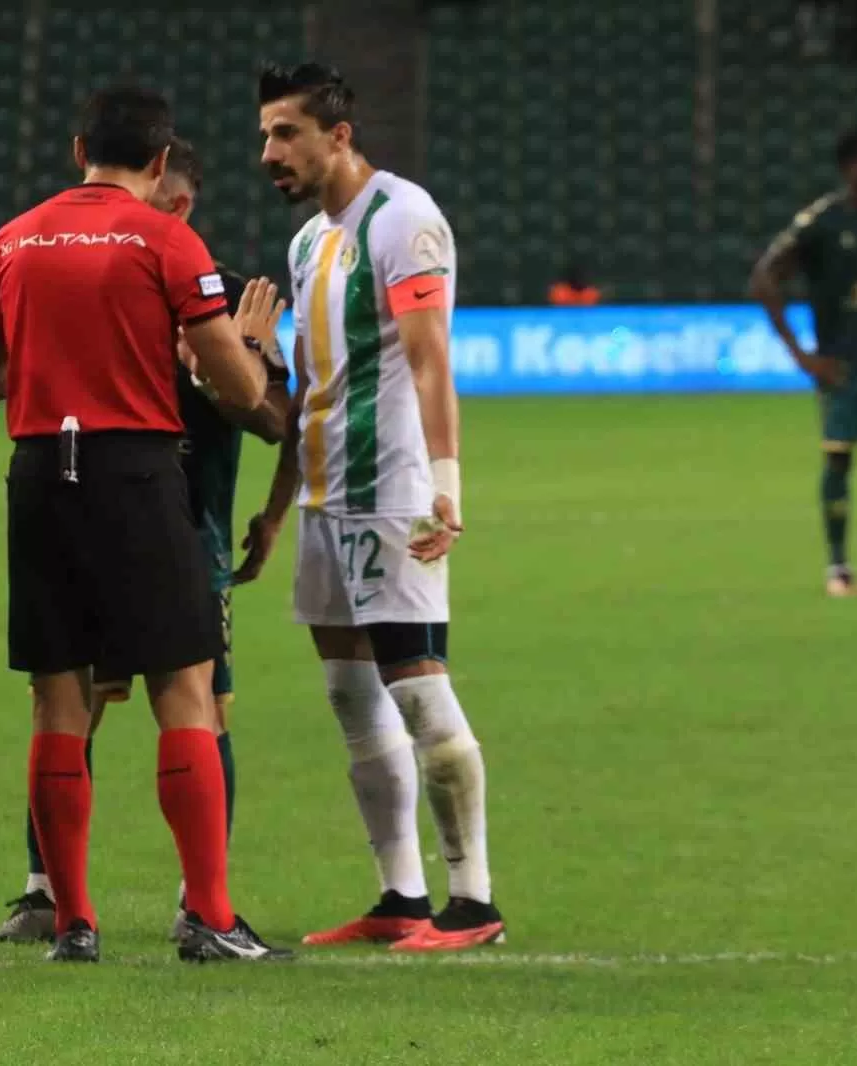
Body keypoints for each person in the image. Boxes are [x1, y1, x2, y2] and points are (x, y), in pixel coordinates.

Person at [0, 84, 288, 964]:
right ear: (159, 160)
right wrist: (251, 352)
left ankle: (72, 922)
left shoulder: (10, 241)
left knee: (58, 700)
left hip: (40, 475)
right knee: (183, 688)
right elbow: (239, 388)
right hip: (136, 473)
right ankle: (209, 918)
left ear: (79, 152)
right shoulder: (167, 240)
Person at [237, 62, 503, 953]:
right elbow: (312, 389)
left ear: (339, 135)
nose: (269, 152)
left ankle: (474, 903)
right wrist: (277, 510)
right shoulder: (309, 243)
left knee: (418, 690)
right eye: (266, 134)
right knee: (352, 698)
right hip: (323, 496)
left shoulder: (404, 220)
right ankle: (401, 895)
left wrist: (445, 484)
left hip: (390, 493)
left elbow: (430, 360)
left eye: (286, 133)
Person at [750, 129, 857, 597]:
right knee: (839, 459)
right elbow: (764, 279)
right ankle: (839, 569)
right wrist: (801, 354)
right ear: (850, 168)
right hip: (842, 368)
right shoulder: (821, 222)